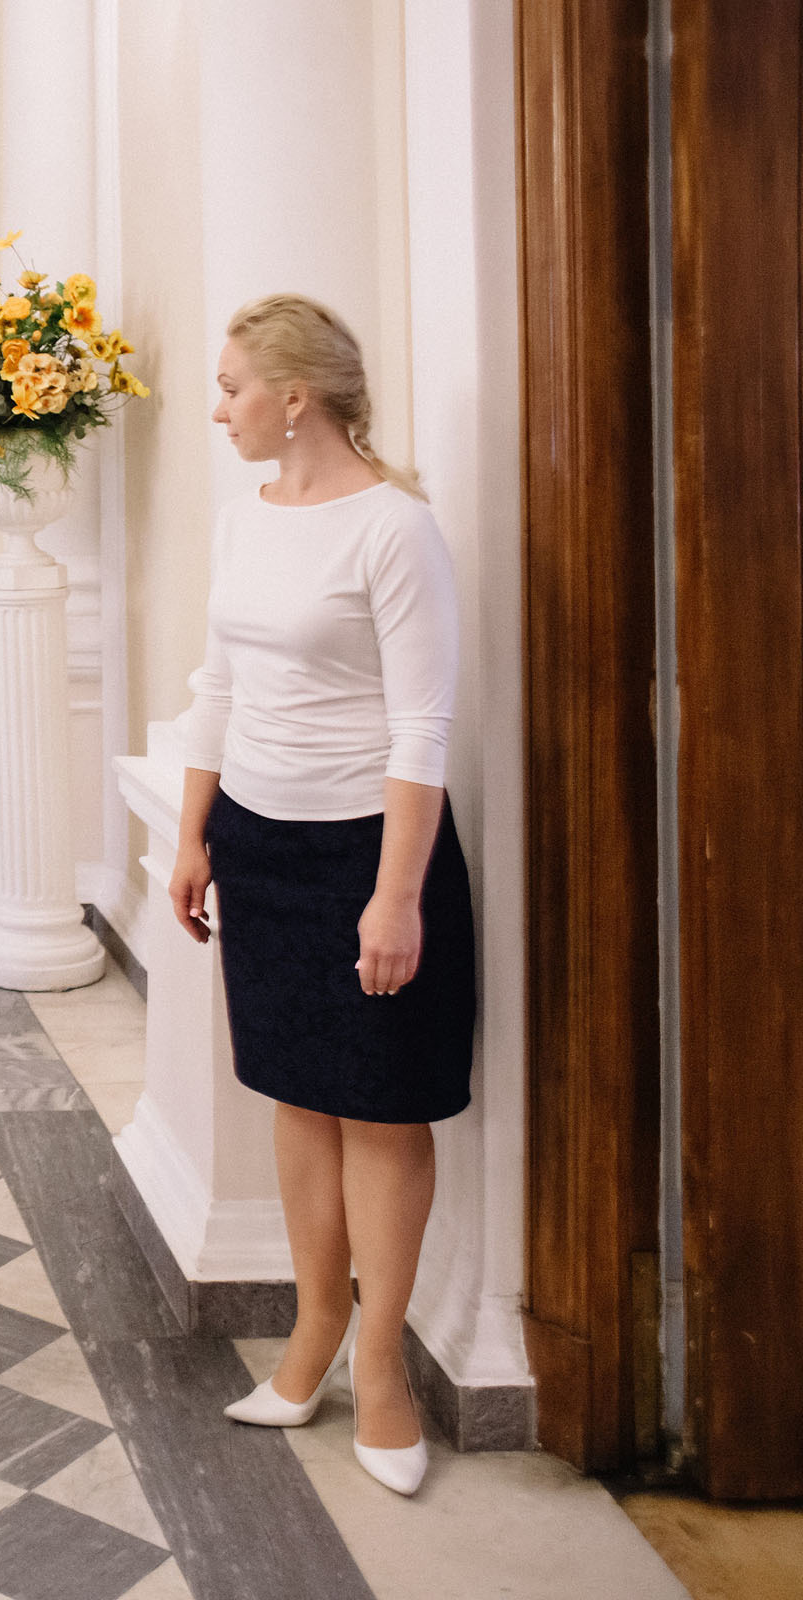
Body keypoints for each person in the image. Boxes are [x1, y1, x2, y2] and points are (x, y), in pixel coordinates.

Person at [170, 293, 473, 1500]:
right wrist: (195, 835)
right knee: (298, 1091)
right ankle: (312, 1339)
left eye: (235, 384)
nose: (220, 405)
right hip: (260, 841)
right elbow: (218, 681)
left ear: (297, 397)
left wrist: (396, 897)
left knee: (384, 1106)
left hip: (367, 851)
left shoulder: (395, 530)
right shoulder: (247, 517)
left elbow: (424, 722)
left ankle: (385, 1366)